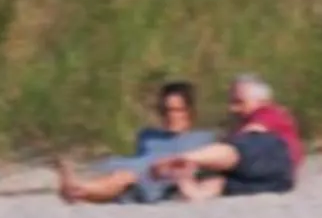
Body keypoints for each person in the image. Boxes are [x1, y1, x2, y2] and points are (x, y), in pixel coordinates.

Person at [56, 81, 218, 205]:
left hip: (152, 180)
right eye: (165, 110)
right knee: (114, 171)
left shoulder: (203, 139)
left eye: (176, 110)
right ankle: (79, 189)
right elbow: (139, 157)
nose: (170, 116)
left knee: (124, 177)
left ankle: (80, 189)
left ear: (190, 111)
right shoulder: (148, 135)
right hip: (132, 172)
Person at [152, 75, 304, 200]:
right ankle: (192, 189)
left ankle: (180, 160)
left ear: (262, 101)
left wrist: (188, 159)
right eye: (232, 102)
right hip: (278, 179)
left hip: (277, 158)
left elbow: (240, 145)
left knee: (237, 151)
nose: (233, 108)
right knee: (220, 181)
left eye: (239, 102)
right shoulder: (245, 124)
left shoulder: (268, 113)